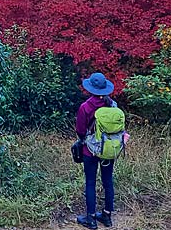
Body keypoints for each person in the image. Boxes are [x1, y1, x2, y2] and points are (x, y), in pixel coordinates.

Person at [76, 72, 116, 229]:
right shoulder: (112, 105)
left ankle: (91, 219)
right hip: (108, 149)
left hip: (90, 150)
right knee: (108, 181)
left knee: (90, 182)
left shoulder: (85, 107)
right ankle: (106, 216)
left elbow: (80, 131)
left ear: (90, 89)